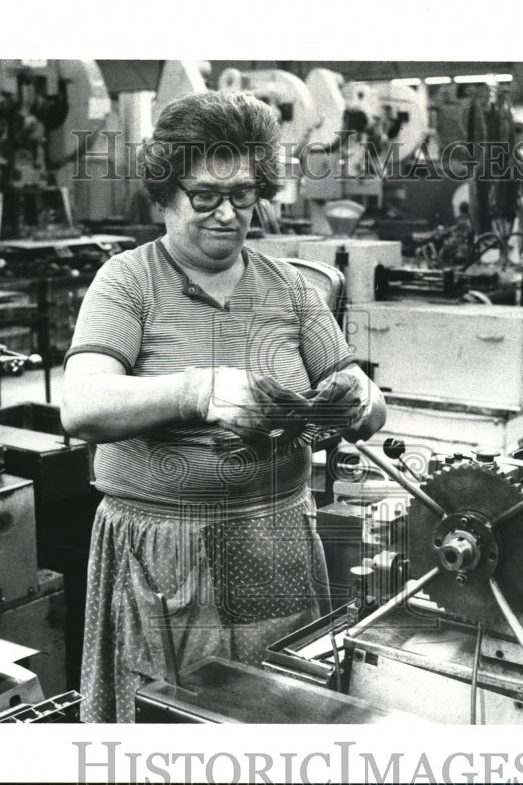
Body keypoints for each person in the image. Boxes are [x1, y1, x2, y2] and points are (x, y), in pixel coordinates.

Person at [60, 91, 386, 723]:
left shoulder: (290, 289)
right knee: (171, 721)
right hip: (164, 554)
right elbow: (82, 404)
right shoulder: (128, 282)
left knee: (276, 713)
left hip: (274, 539)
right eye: (204, 196)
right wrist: (197, 391)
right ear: (164, 194)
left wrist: (360, 400)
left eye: (242, 194)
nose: (227, 214)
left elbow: (364, 402)